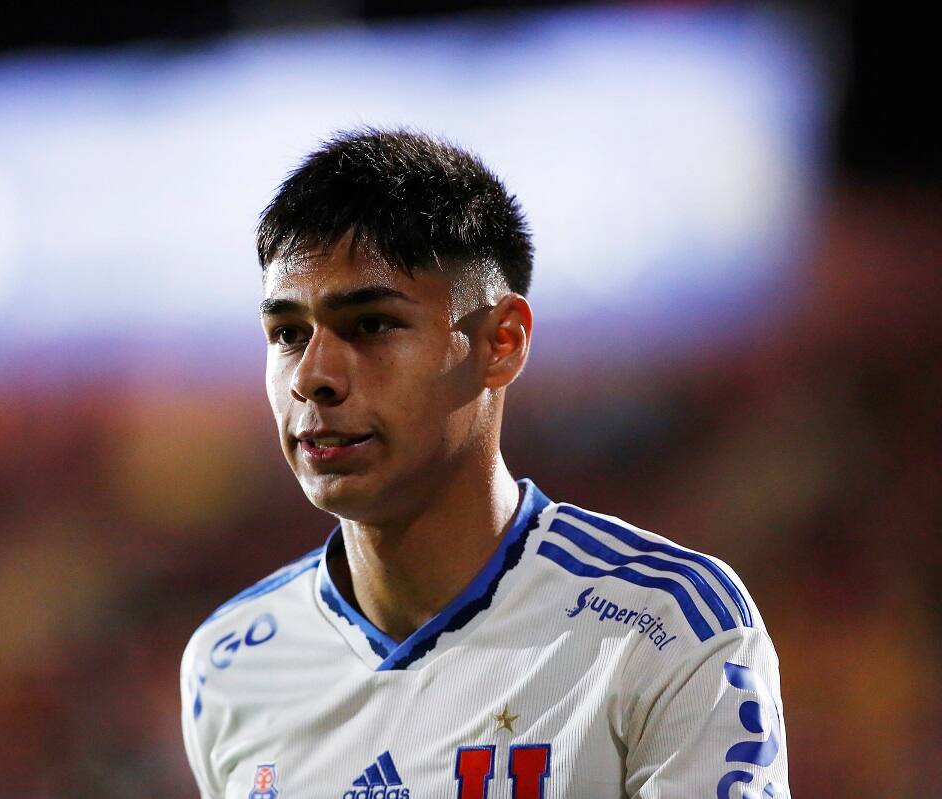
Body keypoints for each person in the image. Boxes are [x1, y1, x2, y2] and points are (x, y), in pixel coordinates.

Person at [179, 128, 789, 799]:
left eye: (373, 324)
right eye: (288, 333)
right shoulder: (230, 662)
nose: (314, 376)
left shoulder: (665, 625)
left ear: (501, 342)